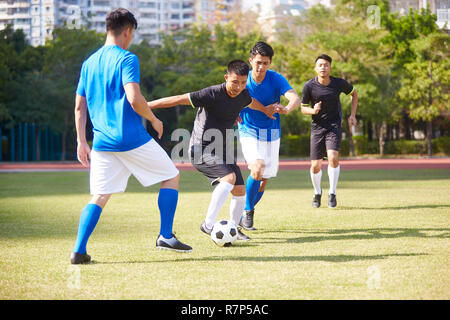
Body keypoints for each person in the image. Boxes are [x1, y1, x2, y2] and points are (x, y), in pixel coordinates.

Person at [71, 8, 192, 264]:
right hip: (130, 138)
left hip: (102, 142)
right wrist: (153, 118)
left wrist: (82, 141)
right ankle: (165, 236)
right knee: (171, 176)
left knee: (100, 196)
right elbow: (134, 98)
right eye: (132, 34)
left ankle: (79, 251)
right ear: (127, 31)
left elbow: (80, 107)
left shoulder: (88, 63)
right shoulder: (127, 58)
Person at [147, 60, 277, 241]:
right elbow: (177, 99)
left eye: (242, 82)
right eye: (234, 82)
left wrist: (264, 110)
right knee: (229, 179)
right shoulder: (211, 94)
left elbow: (250, 101)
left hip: (222, 150)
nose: (238, 86)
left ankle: (233, 228)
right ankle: (208, 225)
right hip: (201, 149)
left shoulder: (243, 94)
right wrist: (145, 106)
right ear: (226, 78)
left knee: (240, 190)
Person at [238, 41, 300, 230]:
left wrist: (288, 108)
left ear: (270, 63)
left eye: (265, 63)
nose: (261, 66)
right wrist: (231, 113)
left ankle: (243, 213)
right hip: (248, 130)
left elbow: (294, 97)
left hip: (272, 132)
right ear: (251, 61)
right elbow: (233, 97)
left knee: (263, 179)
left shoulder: (276, 78)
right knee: (257, 168)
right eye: (258, 62)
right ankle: (248, 211)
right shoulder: (243, 79)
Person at [301, 54, 358, 208]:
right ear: (315, 68)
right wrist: (313, 110)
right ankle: (317, 192)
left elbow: (354, 94)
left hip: (334, 125)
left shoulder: (338, 83)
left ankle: (332, 193)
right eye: (320, 65)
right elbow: (303, 108)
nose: (323, 68)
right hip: (317, 127)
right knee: (315, 165)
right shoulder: (309, 86)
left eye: (326, 65)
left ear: (330, 67)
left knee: (333, 157)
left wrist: (352, 115)